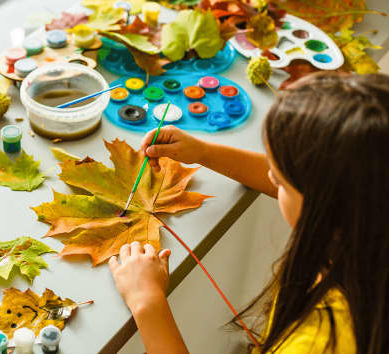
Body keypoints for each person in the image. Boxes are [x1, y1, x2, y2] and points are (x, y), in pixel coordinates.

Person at [108, 72, 389, 353]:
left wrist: (147, 302)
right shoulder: (368, 222)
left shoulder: (324, 341)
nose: (270, 177)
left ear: (327, 205)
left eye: (278, 179)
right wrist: (203, 152)